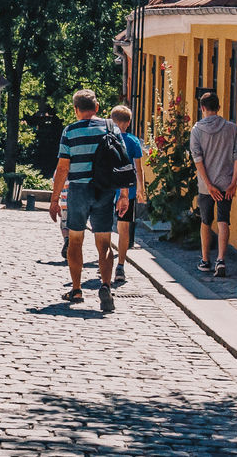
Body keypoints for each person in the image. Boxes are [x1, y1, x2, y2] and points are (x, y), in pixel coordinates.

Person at [48, 89, 122, 312]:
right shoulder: (112, 128)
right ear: (97, 108)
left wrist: (54, 199)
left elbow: (63, 168)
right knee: (104, 243)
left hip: (79, 190)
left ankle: (77, 289)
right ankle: (106, 285)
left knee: (75, 239)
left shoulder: (70, 131)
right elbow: (121, 162)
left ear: (76, 110)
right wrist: (124, 195)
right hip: (105, 190)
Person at [190, 91, 237, 277]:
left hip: (207, 186)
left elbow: (198, 160)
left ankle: (205, 260)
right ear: (219, 107)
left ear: (202, 108)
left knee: (205, 221)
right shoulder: (231, 128)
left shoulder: (196, 130)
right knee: (223, 220)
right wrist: (234, 181)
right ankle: (221, 259)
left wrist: (208, 184)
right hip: (226, 182)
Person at [109, 105, 146, 284]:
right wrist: (141, 189)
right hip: (129, 190)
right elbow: (138, 169)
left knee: (106, 227)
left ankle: (106, 259)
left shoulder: (106, 139)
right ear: (129, 122)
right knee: (124, 229)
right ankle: (121, 265)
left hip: (108, 189)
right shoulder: (133, 141)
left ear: (112, 120)